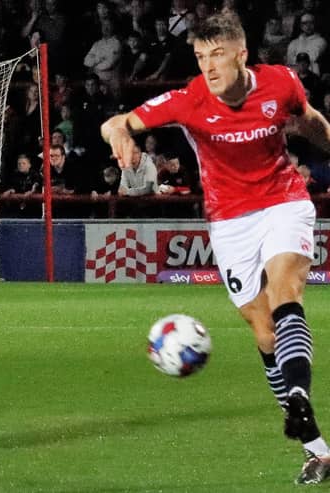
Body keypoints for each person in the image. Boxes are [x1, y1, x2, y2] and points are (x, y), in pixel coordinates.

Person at [101, 12, 330, 485]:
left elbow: (308, 121)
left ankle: (299, 398)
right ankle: (318, 450)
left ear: (241, 53)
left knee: (287, 291)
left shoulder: (281, 82)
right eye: (200, 56)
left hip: (283, 201)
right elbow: (116, 122)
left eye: (217, 55)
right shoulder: (189, 101)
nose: (208, 67)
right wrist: (120, 133)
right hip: (229, 222)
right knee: (264, 333)